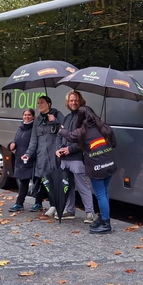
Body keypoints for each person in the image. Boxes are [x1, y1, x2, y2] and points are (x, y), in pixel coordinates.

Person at [59, 105, 116, 234]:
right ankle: (103, 217)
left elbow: (69, 136)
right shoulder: (104, 127)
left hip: (97, 167)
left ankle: (106, 223)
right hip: (110, 163)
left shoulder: (83, 132)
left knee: (100, 194)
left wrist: (61, 130)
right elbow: (114, 143)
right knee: (105, 193)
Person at [55, 90, 96, 223]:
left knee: (83, 186)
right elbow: (59, 135)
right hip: (64, 159)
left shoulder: (84, 117)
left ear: (80, 101)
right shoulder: (66, 118)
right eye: (71, 100)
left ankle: (90, 213)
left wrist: (70, 149)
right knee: (68, 186)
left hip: (77, 158)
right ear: (68, 102)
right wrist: (59, 149)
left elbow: (85, 140)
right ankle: (70, 210)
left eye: (76, 100)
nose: (74, 102)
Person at [22, 95, 64, 214]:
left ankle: (59, 205)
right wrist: (28, 153)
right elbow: (33, 139)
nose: (39, 105)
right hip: (42, 156)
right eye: (38, 103)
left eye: (42, 103)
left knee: (56, 180)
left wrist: (55, 121)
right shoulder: (37, 120)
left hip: (55, 155)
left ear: (49, 104)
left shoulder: (57, 114)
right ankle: (52, 205)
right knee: (46, 181)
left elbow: (65, 130)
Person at [7, 108, 36, 212]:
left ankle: (36, 203)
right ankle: (20, 204)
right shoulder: (20, 128)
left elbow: (34, 144)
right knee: (23, 182)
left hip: (31, 159)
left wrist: (29, 155)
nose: (26, 117)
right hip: (20, 160)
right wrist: (11, 145)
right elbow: (16, 141)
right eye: (25, 115)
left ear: (33, 117)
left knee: (36, 182)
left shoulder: (34, 129)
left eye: (29, 115)